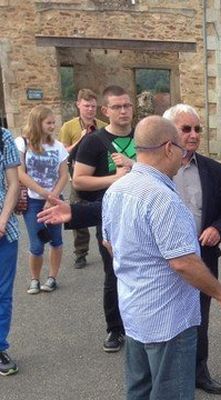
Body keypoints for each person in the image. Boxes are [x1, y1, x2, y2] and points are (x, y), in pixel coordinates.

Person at [101, 116, 221, 399]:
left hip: (135, 311)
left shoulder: (116, 190)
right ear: (168, 148)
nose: (182, 154)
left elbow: (108, 242)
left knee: (139, 389)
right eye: (179, 147)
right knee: (172, 392)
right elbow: (183, 263)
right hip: (169, 320)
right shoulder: (163, 198)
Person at [163, 104, 221, 394]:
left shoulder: (214, 170)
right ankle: (168, 377)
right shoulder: (157, 169)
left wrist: (217, 228)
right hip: (165, 260)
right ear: (170, 134)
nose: (193, 135)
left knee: (199, 318)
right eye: (186, 129)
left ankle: (198, 372)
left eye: (197, 129)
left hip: (202, 258)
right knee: (167, 320)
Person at [73, 85, 135, 353]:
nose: (123, 111)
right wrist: (116, 178)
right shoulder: (93, 142)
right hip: (110, 217)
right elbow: (79, 181)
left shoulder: (143, 136)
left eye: (127, 105)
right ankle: (115, 328)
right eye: (117, 107)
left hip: (142, 215)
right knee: (114, 273)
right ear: (105, 110)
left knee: (142, 273)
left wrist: (133, 166)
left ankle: (137, 326)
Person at [16, 106, 69, 294]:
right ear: (37, 123)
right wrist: (46, 195)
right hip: (33, 201)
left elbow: (64, 175)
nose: (53, 126)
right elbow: (20, 174)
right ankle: (34, 279)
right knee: (36, 244)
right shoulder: (22, 143)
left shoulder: (58, 146)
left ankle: (52, 277)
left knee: (56, 240)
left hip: (54, 200)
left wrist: (53, 197)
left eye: (54, 122)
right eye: (49, 123)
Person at [58, 88, 107, 269]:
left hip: (100, 177)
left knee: (104, 214)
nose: (90, 110)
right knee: (78, 214)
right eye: (86, 106)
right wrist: (82, 140)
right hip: (78, 177)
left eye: (93, 106)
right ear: (78, 105)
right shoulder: (68, 127)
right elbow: (63, 153)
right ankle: (81, 253)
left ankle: (106, 247)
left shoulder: (103, 126)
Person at [0, 128, 20, 376]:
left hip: (4, 230)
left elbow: (14, 183)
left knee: (3, 293)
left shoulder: (3, 137)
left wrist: (3, 219)